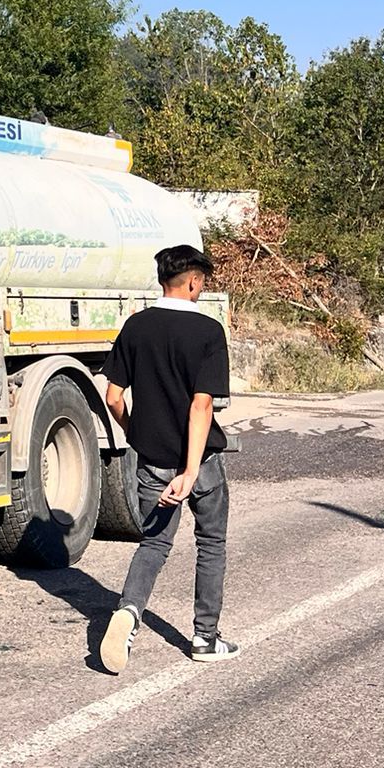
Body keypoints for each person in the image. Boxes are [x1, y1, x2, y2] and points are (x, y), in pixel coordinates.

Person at [98, 243, 238, 671]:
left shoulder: (136, 326)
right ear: (194, 281)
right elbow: (202, 406)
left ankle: (127, 612)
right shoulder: (208, 332)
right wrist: (191, 471)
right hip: (202, 463)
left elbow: (113, 396)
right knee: (211, 543)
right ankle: (204, 637)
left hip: (152, 460)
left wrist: (134, 430)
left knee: (154, 544)